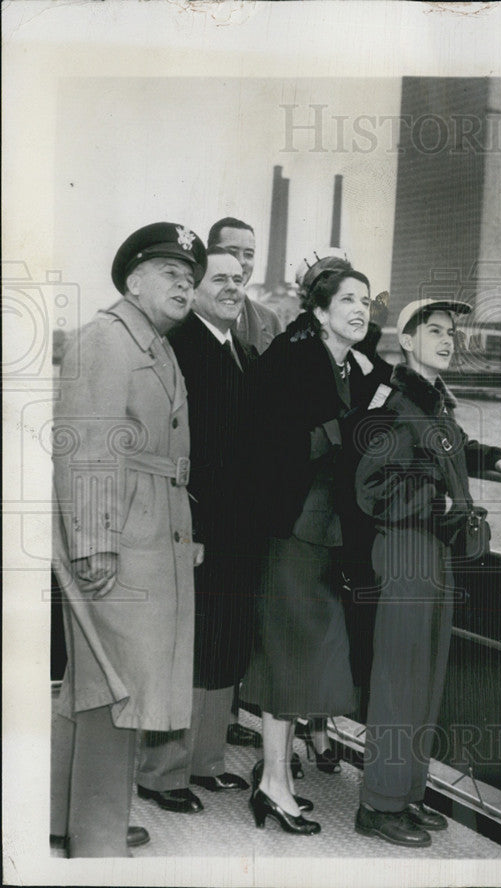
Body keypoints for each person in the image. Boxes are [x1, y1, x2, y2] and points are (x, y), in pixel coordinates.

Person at [51, 222, 206, 856]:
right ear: (133, 279)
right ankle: (97, 838)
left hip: (150, 533)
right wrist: (93, 545)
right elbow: (85, 448)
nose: (184, 285)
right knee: (113, 691)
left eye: (190, 278)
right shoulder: (105, 343)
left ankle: (65, 817)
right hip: (119, 537)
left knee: (99, 684)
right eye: (170, 273)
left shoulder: (154, 345)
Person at [354, 299, 501, 847]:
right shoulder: (392, 403)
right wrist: (440, 506)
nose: (449, 339)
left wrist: (491, 458)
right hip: (406, 550)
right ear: (406, 341)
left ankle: (408, 793)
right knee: (399, 677)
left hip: (434, 551)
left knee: (426, 678)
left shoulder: (434, 405)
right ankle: (378, 804)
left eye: (452, 332)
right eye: (435, 331)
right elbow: (373, 487)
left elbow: (448, 452)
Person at [240, 256, 391, 835]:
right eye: (348, 299)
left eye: (366, 299)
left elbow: (406, 418)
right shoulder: (291, 358)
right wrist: (342, 429)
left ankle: (274, 778)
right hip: (294, 530)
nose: (360, 309)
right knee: (286, 656)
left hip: (333, 536)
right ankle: (274, 783)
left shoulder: (364, 366)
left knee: (300, 658)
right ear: (321, 311)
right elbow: (265, 445)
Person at [134, 249, 257, 813]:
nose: (232, 287)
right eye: (220, 279)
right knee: (185, 647)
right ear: (196, 289)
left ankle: (206, 762)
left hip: (237, 528)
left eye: (239, 278)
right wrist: (194, 524)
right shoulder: (180, 347)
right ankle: (162, 773)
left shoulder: (240, 351)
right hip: (196, 523)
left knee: (222, 641)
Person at [207, 215, 279, 749]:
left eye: (250, 255)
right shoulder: (196, 318)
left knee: (234, 616)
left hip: (246, 499)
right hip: (211, 499)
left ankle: (220, 725)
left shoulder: (265, 321)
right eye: (233, 254)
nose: (245, 265)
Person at [208, 216, 282, 356]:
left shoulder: (269, 320)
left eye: (248, 254)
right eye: (231, 252)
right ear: (210, 254)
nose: (241, 261)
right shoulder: (187, 312)